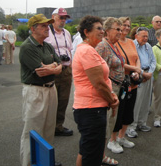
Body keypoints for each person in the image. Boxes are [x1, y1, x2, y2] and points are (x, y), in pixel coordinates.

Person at [72, 15, 119, 166]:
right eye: (98, 28)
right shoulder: (87, 51)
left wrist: (111, 96)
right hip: (91, 109)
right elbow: (98, 83)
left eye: (102, 28)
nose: (102, 31)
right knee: (92, 155)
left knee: (86, 150)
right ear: (86, 32)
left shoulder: (89, 50)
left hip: (90, 108)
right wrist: (112, 100)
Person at [19, 14, 63, 166]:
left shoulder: (47, 45)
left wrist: (53, 67)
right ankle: (29, 163)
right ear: (33, 28)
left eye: (47, 25)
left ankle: (46, 161)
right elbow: (40, 71)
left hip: (51, 89)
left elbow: (60, 65)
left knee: (49, 128)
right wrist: (54, 68)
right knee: (32, 131)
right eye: (43, 26)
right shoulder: (27, 47)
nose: (47, 28)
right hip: (35, 91)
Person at [95, 17, 125, 165]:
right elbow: (99, 74)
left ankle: (102, 155)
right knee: (105, 122)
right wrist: (110, 93)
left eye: (121, 29)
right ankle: (99, 155)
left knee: (111, 121)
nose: (120, 32)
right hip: (109, 89)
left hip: (117, 87)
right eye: (117, 29)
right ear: (107, 31)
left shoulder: (114, 45)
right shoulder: (102, 46)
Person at [45, 8, 74, 136]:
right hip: (52, 70)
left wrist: (71, 66)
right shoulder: (47, 32)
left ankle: (58, 126)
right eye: (60, 17)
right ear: (53, 17)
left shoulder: (66, 33)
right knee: (51, 100)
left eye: (64, 18)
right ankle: (48, 127)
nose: (63, 21)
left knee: (63, 100)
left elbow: (71, 50)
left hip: (66, 70)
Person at [114, 17, 141, 141]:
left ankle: (122, 136)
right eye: (124, 25)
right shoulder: (114, 42)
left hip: (133, 82)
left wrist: (138, 70)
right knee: (119, 112)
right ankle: (112, 139)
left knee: (129, 111)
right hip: (121, 82)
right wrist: (134, 69)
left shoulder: (131, 42)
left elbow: (137, 58)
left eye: (128, 26)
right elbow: (118, 62)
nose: (126, 28)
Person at [130, 27, 156, 132]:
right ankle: (132, 126)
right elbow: (132, 62)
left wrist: (149, 73)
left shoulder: (148, 46)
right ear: (136, 36)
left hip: (148, 75)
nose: (146, 38)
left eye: (147, 36)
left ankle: (142, 123)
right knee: (136, 102)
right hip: (138, 76)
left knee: (146, 101)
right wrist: (143, 74)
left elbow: (153, 61)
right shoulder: (132, 45)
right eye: (143, 36)